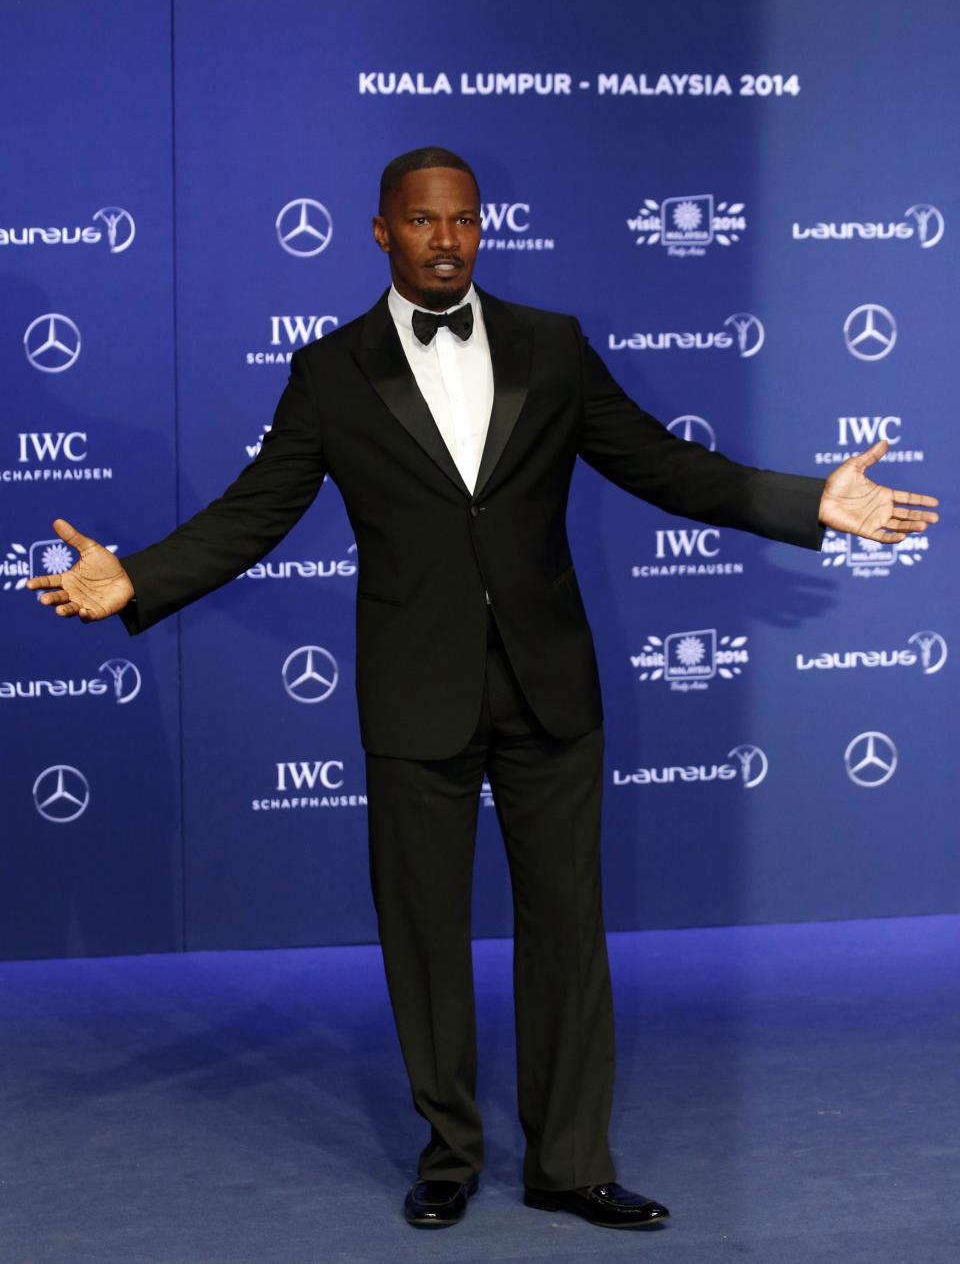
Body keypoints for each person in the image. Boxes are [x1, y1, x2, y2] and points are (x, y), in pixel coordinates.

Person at [28, 147, 940, 1232]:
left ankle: (570, 1161)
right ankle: (449, 1151)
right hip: (417, 692)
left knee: (569, 928)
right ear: (381, 232)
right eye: (423, 221)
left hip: (551, 685)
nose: (447, 237)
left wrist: (808, 503)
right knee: (424, 933)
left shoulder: (551, 346)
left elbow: (663, 465)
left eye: (463, 218)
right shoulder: (331, 370)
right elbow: (255, 509)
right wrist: (137, 577)